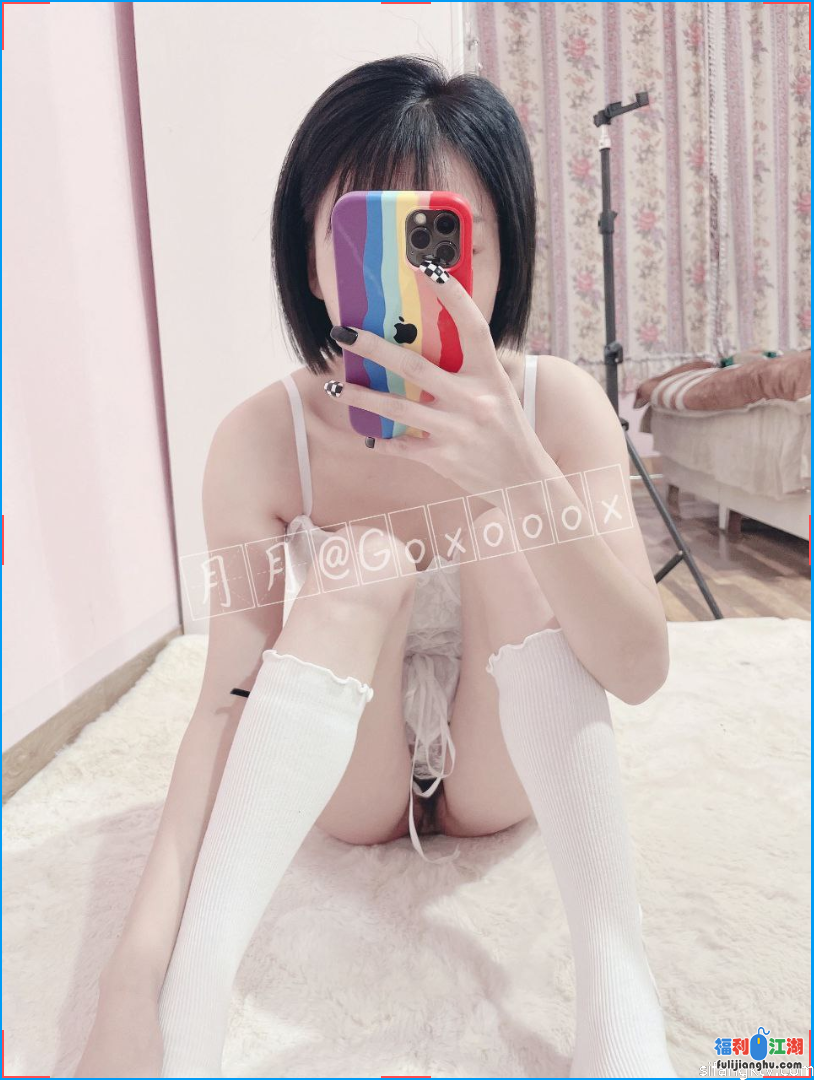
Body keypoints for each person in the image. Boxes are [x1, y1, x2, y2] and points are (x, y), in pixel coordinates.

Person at [73, 55, 677, 1079]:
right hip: (347, 780)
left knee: (506, 538)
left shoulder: (561, 409)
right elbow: (227, 696)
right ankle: (195, 999)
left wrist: (517, 470)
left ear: (501, 254)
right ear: (313, 262)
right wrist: (133, 979)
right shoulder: (262, 440)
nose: (414, 276)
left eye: (442, 241)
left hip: (503, 764)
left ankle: (619, 984)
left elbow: (639, 668)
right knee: (361, 558)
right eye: (368, 238)